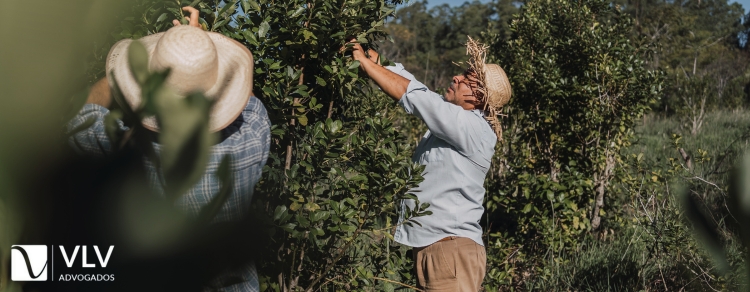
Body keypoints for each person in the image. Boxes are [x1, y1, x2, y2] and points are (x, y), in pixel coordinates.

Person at [66, 7, 270, 292]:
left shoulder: (127, 154)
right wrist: (202, 51)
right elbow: (243, 97)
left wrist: (120, 77)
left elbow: (81, 114)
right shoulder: (252, 131)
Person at [346, 38, 511, 291]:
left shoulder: (473, 127)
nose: (456, 77)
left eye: (467, 78)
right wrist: (364, 50)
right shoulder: (455, 123)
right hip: (438, 248)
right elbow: (410, 83)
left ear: (479, 96)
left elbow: (414, 96)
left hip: (451, 249)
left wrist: (364, 63)